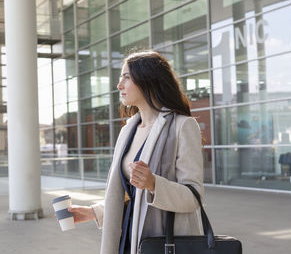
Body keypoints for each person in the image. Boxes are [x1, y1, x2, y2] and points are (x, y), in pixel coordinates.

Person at [68, 50, 204, 254]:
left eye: (126, 77)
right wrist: (94, 212)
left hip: (163, 243)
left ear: (148, 80)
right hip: (128, 240)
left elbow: (194, 197)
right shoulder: (128, 130)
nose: (119, 85)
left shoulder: (183, 126)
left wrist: (154, 184)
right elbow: (131, 197)